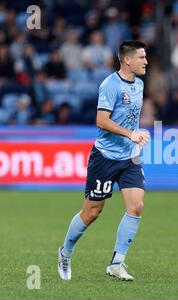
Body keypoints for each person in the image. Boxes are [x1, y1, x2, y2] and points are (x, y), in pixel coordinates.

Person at [58, 40, 150, 281]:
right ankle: (65, 252)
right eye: (141, 57)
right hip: (105, 158)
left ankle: (117, 263)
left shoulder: (139, 85)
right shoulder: (110, 85)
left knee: (136, 206)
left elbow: (130, 117)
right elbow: (101, 120)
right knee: (92, 212)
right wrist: (131, 134)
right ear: (127, 60)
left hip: (130, 157)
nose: (146, 61)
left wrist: (136, 135)